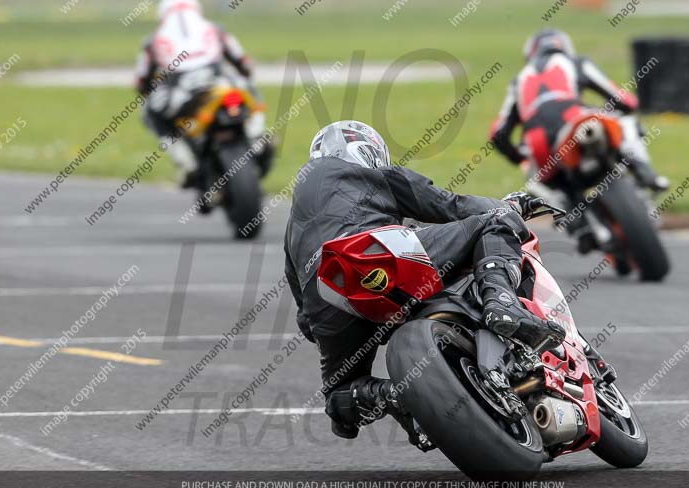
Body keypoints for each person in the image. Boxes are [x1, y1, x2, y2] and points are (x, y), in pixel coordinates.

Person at [284, 120, 565, 443]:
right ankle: (501, 304)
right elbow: (450, 206)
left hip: (326, 295)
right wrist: (509, 207)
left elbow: (305, 320)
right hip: (379, 253)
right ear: (367, 150)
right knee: (494, 223)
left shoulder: (294, 226)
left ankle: (390, 395)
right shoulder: (376, 174)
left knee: (338, 394)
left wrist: (334, 326)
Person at [489, 29, 668, 244]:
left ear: (531, 54)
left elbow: (499, 133)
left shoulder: (519, 80)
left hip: (539, 143)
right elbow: (624, 100)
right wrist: (623, 107)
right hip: (576, 121)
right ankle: (644, 172)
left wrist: (518, 157)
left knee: (537, 180)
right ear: (566, 47)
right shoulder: (577, 62)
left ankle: (578, 224)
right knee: (626, 122)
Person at [134, 0, 263, 188]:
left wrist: (151, 89)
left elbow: (141, 81)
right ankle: (257, 136)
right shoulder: (215, 29)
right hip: (220, 84)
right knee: (248, 88)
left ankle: (186, 163)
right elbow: (243, 62)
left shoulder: (153, 40)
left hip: (181, 95)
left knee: (149, 111)